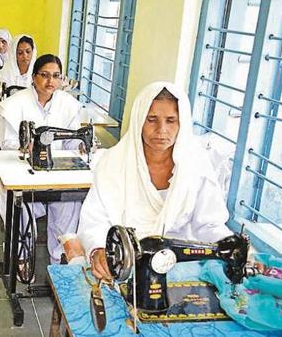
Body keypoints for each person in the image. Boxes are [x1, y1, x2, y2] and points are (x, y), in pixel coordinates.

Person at [75, 82, 234, 280]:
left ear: (182, 123)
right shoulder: (113, 163)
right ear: (138, 121)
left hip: (180, 267)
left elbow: (209, 225)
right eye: (151, 120)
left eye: (171, 120)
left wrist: (231, 245)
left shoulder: (196, 166)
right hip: (123, 261)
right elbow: (95, 220)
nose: (161, 130)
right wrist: (98, 249)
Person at [0, 54, 87, 265]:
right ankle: (21, 256)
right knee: (19, 207)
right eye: (44, 75)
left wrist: (80, 145)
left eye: (56, 76)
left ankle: (59, 258)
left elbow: (71, 141)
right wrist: (23, 146)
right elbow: (7, 141)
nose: (50, 81)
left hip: (57, 173)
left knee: (70, 203)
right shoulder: (15, 104)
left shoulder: (68, 104)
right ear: (34, 77)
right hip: (23, 170)